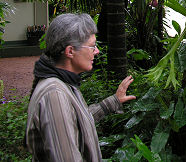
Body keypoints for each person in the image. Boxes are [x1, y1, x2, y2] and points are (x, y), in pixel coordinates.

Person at [25, 13, 136, 161]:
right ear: (70, 51)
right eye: (92, 46)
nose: (96, 51)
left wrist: (114, 101)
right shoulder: (54, 95)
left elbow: (75, 122)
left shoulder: (62, 83)